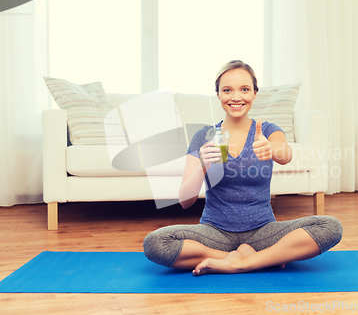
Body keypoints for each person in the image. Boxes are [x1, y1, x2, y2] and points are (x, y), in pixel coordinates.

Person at [143, 60, 342, 275]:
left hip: (263, 231)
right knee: (156, 243)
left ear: (255, 93)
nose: (236, 97)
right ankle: (253, 258)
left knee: (330, 227)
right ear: (218, 95)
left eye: (244, 89)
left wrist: (271, 148)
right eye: (227, 90)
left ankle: (240, 263)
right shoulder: (204, 136)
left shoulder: (267, 130)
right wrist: (202, 166)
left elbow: (286, 155)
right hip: (214, 232)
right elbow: (185, 201)